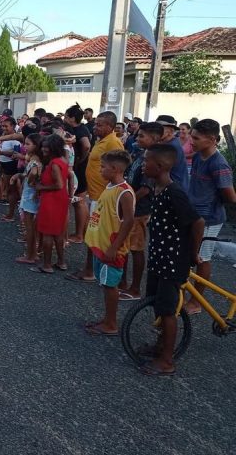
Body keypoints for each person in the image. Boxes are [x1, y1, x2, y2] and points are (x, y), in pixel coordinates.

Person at [139, 144, 204, 376]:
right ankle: (160, 346)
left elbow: (197, 222)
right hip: (159, 256)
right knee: (157, 302)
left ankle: (167, 360)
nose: (143, 164)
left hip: (173, 260)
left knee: (168, 310)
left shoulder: (174, 192)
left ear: (161, 166)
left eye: (146, 161)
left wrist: (194, 253)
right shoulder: (157, 188)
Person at [183, 119, 236, 315]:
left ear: (212, 140)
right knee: (190, 254)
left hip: (210, 218)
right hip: (194, 215)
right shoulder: (198, 156)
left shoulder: (219, 164)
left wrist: (210, 201)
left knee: (202, 259)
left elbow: (230, 196)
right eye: (191, 136)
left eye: (196, 138)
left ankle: (196, 301)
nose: (191, 141)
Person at [66, 111, 123, 283]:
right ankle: (90, 268)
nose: (95, 127)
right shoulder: (101, 140)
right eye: (96, 124)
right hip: (96, 194)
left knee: (95, 234)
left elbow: (118, 169)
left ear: (110, 126)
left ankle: (92, 270)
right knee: (92, 234)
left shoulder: (113, 142)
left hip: (103, 196)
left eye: (99, 125)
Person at [83, 150, 135, 336]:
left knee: (110, 286)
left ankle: (111, 323)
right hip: (101, 246)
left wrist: (114, 247)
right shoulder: (110, 186)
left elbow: (128, 221)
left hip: (111, 249)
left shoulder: (124, 192)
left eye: (103, 167)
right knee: (105, 284)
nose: (100, 170)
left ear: (115, 169)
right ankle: (107, 319)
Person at [118, 123, 161, 301]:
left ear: (155, 138)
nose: (137, 138)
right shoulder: (141, 154)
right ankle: (122, 282)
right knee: (124, 246)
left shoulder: (153, 160)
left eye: (142, 136)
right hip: (131, 208)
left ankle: (135, 288)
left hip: (139, 210)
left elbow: (145, 189)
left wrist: (129, 202)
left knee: (136, 248)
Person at [31, 135, 69, 274]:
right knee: (58, 232)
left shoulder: (54, 164)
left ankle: (47, 265)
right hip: (60, 199)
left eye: (46, 147)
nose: (43, 149)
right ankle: (61, 262)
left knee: (47, 233)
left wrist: (41, 187)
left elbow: (58, 185)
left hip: (52, 199)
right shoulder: (62, 160)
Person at [63, 104, 92, 244]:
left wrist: (81, 159)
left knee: (79, 201)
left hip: (79, 168)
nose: (64, 119)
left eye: (66, 116)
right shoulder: (79, 128)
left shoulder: (80, 130)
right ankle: (82, 232)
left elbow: (86, 146)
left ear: (73, 118)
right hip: (78, 166)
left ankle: (79, 234)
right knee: (79, 201)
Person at [13, 133, 42, 264]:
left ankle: (30, 255)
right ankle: (33, 253)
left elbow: (34, 173)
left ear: (36, 146)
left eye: (28, 144)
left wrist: (29, 180)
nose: (25, 146)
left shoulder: (35, 161)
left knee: (29, 227)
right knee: (32, 227)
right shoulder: (36, 159)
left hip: (30, 196)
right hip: (31, 195)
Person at [0, 117, 22, 221]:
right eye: (3, 126)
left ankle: (11, 215)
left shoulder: (15, 139)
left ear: (13, 126)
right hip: (5, 165)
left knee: (12, 191)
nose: (4, 128)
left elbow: (15, 153)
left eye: (6, 126)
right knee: (9, 190)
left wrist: (0, 153)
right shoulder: (5, 137)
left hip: (11, 165)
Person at [155, 115, 189, 190]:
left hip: (175, 188)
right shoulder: (169, 143)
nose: (156, 131)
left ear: (171, 131)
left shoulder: (171, 147)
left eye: (160, 128)